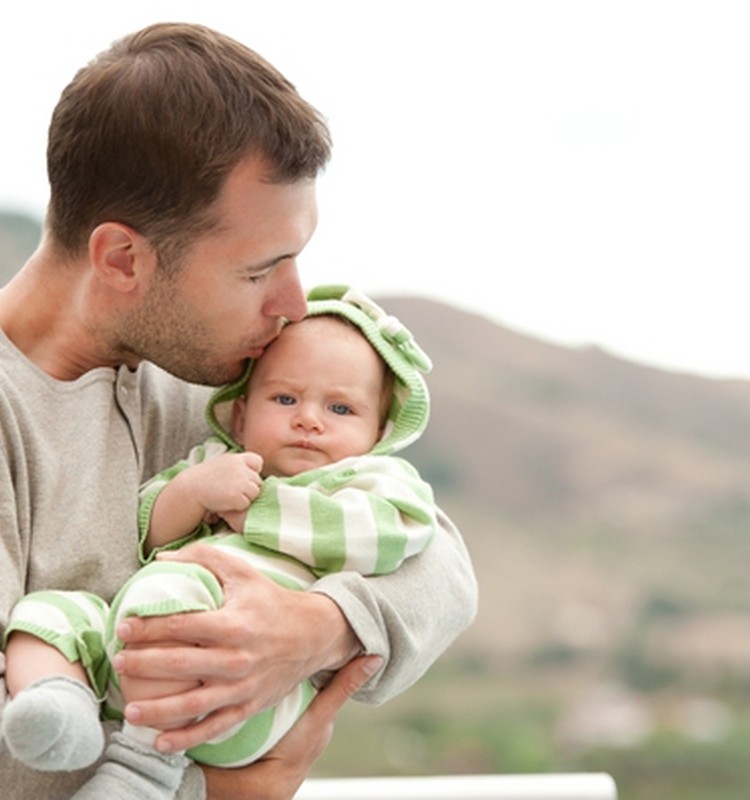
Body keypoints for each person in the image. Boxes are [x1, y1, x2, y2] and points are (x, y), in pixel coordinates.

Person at [0, 22, 477, 800]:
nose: (294, 306)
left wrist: (313, 628)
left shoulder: (216, 386)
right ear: (123, 259)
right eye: (262, 270)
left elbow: (441, 562)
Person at [2, 286, 440, 798]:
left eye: (341, 409)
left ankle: (142, 765)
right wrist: (192, 491)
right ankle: (60, 704)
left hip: (239, 696)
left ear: (379, 433)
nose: (309, 419)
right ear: (240, 416)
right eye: (284, 399)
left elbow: (391, 535)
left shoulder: (368, 481)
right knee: (49, 613)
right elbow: (146, 531)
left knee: (179, 594)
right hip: (129, 651)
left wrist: (257, 513)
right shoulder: (217, 458)